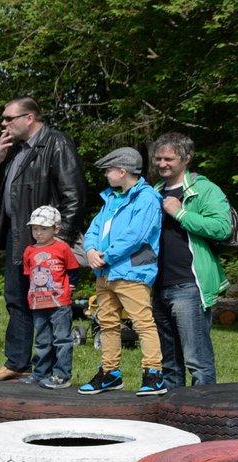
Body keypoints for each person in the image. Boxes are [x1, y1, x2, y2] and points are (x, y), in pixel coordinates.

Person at [0, 97, 86, 382]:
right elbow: (3, 193)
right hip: (21, 241)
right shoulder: (15, 149)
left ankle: (55, 371)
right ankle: (17, 363)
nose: (3, 123)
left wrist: (56, 246)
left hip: (46, 246)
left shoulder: (57, 144)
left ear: (29, 118)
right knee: (17, 300)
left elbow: (74, 197)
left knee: (50, 309)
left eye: (8, 118)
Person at [79, 147, 166, 396]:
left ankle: (153, 374)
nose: (106, 174)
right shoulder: (112, 199)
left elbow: (136, 236)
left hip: (132, 272)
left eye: (108, 170)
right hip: (105, 273)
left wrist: (105, 256)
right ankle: (110, 373)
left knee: (142, 323)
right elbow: (94, 228)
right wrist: (91, 250)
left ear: (122, 171)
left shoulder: (147, 198)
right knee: (106, 322)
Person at [150, 132, 232, 387]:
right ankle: (171, 418)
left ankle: (204, 416)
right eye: (158, 158)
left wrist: (180, 212)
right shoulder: (155, 191)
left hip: (189, 284)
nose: (162, 163)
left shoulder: (205, 189)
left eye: (168, 158)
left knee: (197, 360)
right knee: (169, 361)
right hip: (158, 284)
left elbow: (222, 227)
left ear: (186, 159)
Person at [22, 206, 79, 389]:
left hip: (59, 303)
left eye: (43, 229)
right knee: (41, 340)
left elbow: (73, 269)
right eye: (35, 228)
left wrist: (70, 288)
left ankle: (62, 375)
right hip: (38, 303)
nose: (38, 233)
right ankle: (40, 373)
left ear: (56, 229)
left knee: (62, 339)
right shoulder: (29, 251)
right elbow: (28, 276)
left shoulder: (62, 248)